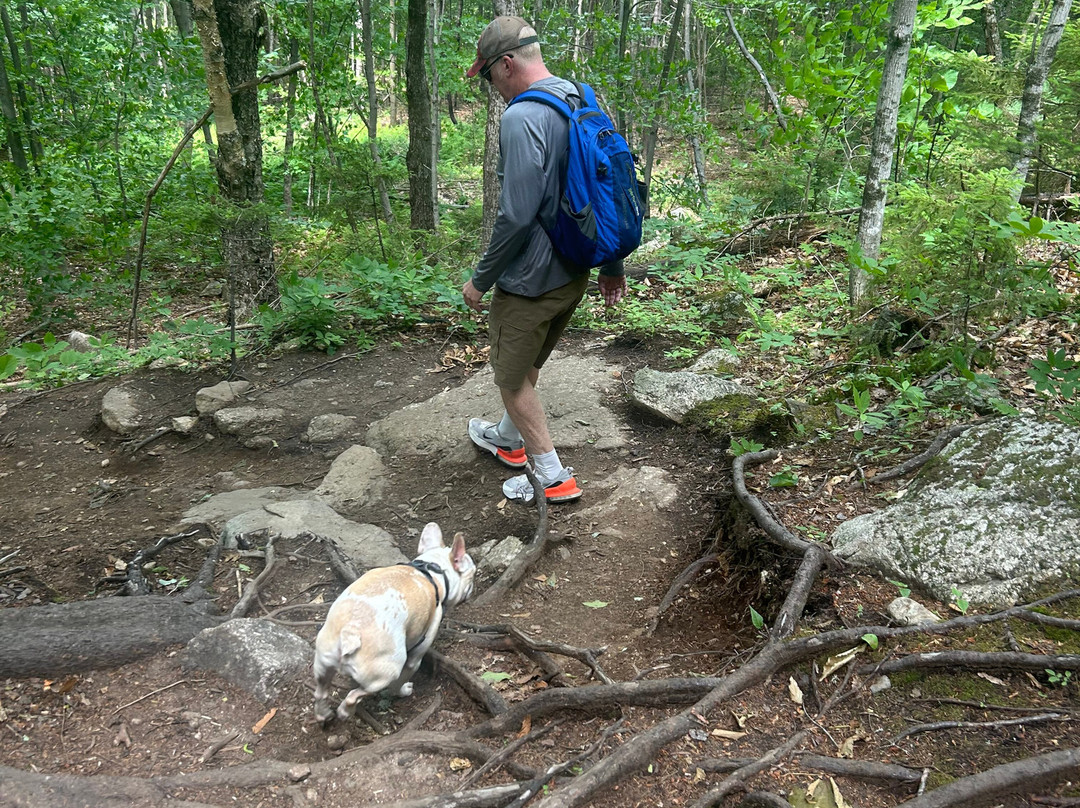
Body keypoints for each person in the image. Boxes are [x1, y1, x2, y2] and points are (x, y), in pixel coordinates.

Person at [462, 16, 627, 505]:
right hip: (573, 270)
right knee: (528, 359)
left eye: (489, 74)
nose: (491, 86)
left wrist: (480, 279)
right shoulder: (582, 97)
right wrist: (611, 264)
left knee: (511, 378)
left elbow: (514, 216)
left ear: (507, 63)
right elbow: (610, 190)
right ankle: (508, 440)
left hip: (530, 279)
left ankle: (552, 477)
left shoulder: (520, 117)